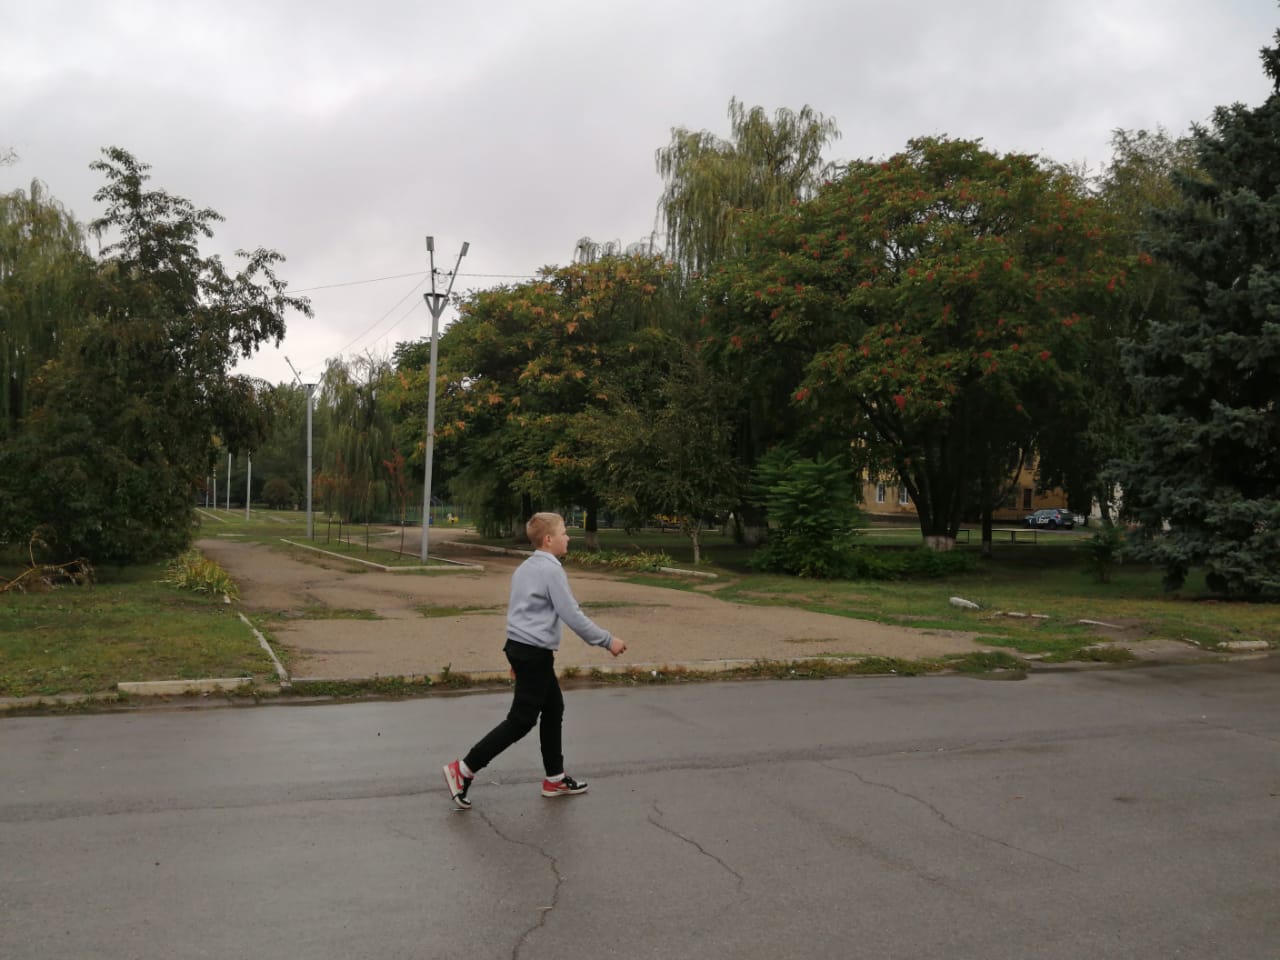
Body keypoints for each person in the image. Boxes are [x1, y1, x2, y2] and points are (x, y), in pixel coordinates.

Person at [442, 511, 626, 809]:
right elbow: (571, 614)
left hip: (521, 648)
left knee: (553, 709)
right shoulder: (551, 571)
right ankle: (463, 769)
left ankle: (555, 777)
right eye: (565, 532)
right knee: (521, 721)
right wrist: (607, 641)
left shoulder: (525, 568)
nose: (569, 537)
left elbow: (518, 612)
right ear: (549, 539)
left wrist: (516, 656)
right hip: (533, 652)